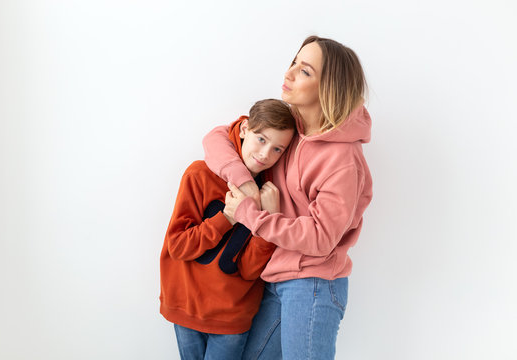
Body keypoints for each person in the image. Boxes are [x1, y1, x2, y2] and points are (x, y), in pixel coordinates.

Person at [202, 35, 373, 359]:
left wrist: (249, 214)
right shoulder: (287, 127)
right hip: (275, 278)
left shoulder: (342, 159)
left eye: (305, 71)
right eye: (294, 62)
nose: (289, 73)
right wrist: (246, 185)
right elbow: (216, 137)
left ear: (329, 87)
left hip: (313, 285)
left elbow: (321, 238)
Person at [159, 99, 296, 360]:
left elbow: (249, 269)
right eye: (261, 139)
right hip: (186, 306)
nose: (266, 154)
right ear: (244, 129)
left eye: (278, 149)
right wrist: (227, 218)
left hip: (232, 318)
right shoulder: (199, 174)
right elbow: (178, 245)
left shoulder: (268, 195)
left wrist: (269, 221)